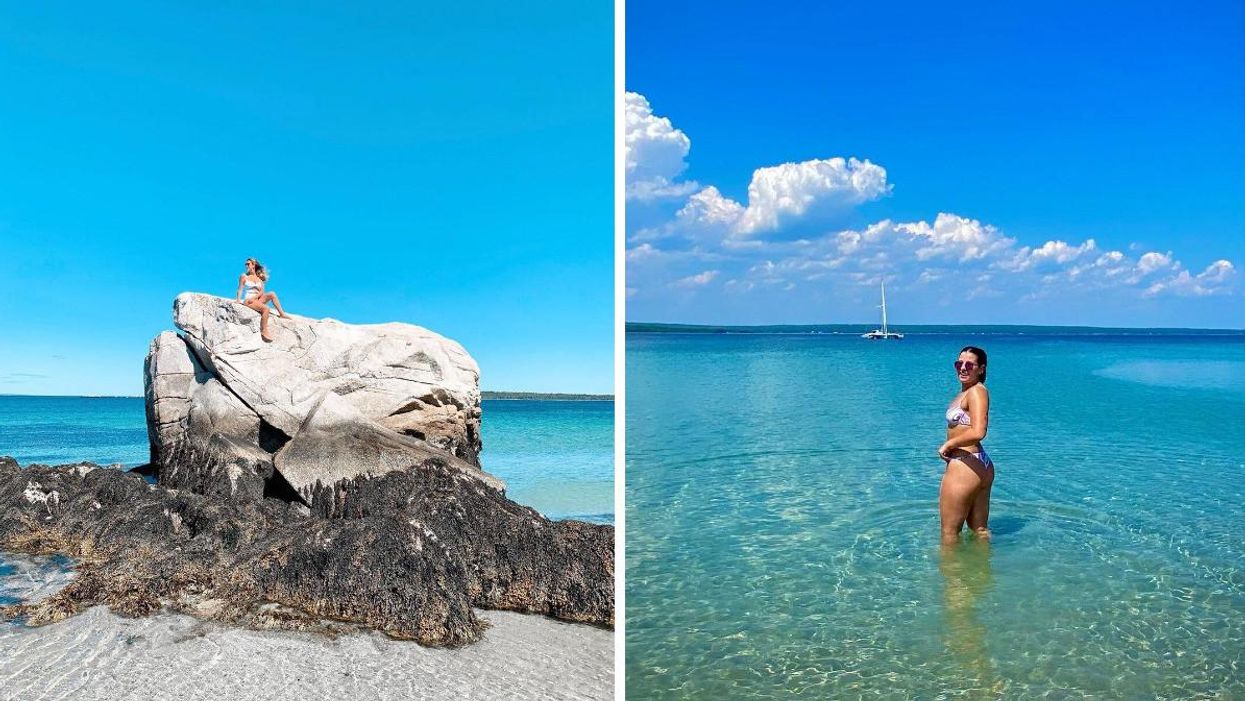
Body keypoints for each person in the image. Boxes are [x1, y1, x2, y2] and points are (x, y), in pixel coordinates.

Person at [938, 346, 993, 545]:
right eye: (959, 364)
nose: (963, 368)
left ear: (981, 369)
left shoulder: (977, 392)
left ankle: (951, 575)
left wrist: (948, 444)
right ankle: (984, 573)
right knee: (979, 530)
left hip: (965, 465)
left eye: (969, 365)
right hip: (979, 464)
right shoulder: (969, 392)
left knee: (949, 534)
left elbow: (979, 431)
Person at [236, 258, 287, 342]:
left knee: (272, 293)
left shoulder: (259, 279)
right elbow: (240, 289)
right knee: (266, 309)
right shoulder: (244, 276)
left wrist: (255, 298)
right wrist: (238, 300)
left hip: (255, 299)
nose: (246, 266)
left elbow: (262, 292)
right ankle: (264, 331)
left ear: (253, 265)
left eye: (248, 264)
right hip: (248, 300)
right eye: (246, 264)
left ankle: (282, 314)